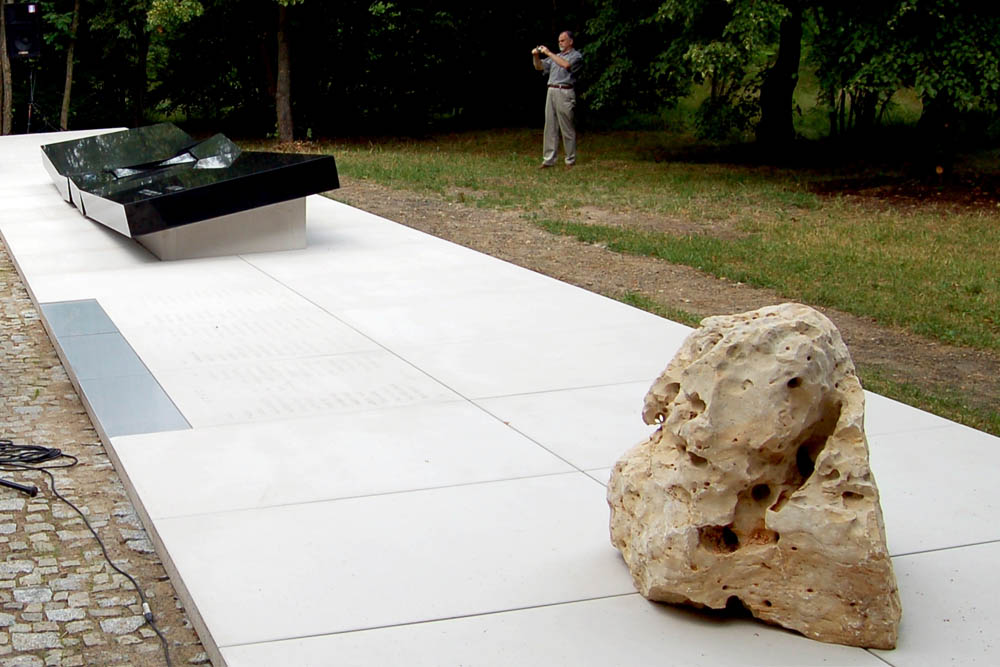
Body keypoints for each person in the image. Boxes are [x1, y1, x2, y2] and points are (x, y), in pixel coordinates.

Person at [532, 31, 583, 168]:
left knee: (566, 127)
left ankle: (570, 160)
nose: (560, 43)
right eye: (559, 41)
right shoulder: (556, 56)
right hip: (551, 91)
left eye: (563, 40)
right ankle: (548, 160)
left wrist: (548, 53)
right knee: (550, 127)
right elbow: (539, 67)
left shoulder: (576, 56)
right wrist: (536, 56)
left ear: (570, 41)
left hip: (565, 92)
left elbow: (566, 65)